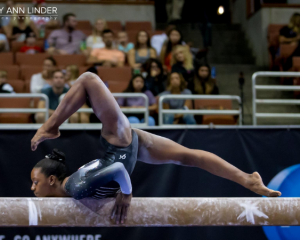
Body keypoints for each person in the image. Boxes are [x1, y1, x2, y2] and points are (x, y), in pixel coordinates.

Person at [30, 71, 281, 225]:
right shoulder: (72, 185)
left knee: (87, 79)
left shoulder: (75, 188)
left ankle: (51, 126)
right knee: (187, 157)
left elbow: (118, 169)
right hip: (126, 146)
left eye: (35, 181)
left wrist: (127, 194)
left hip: (120, 144)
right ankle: (248, 180)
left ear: (52, 179)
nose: (31, 188)